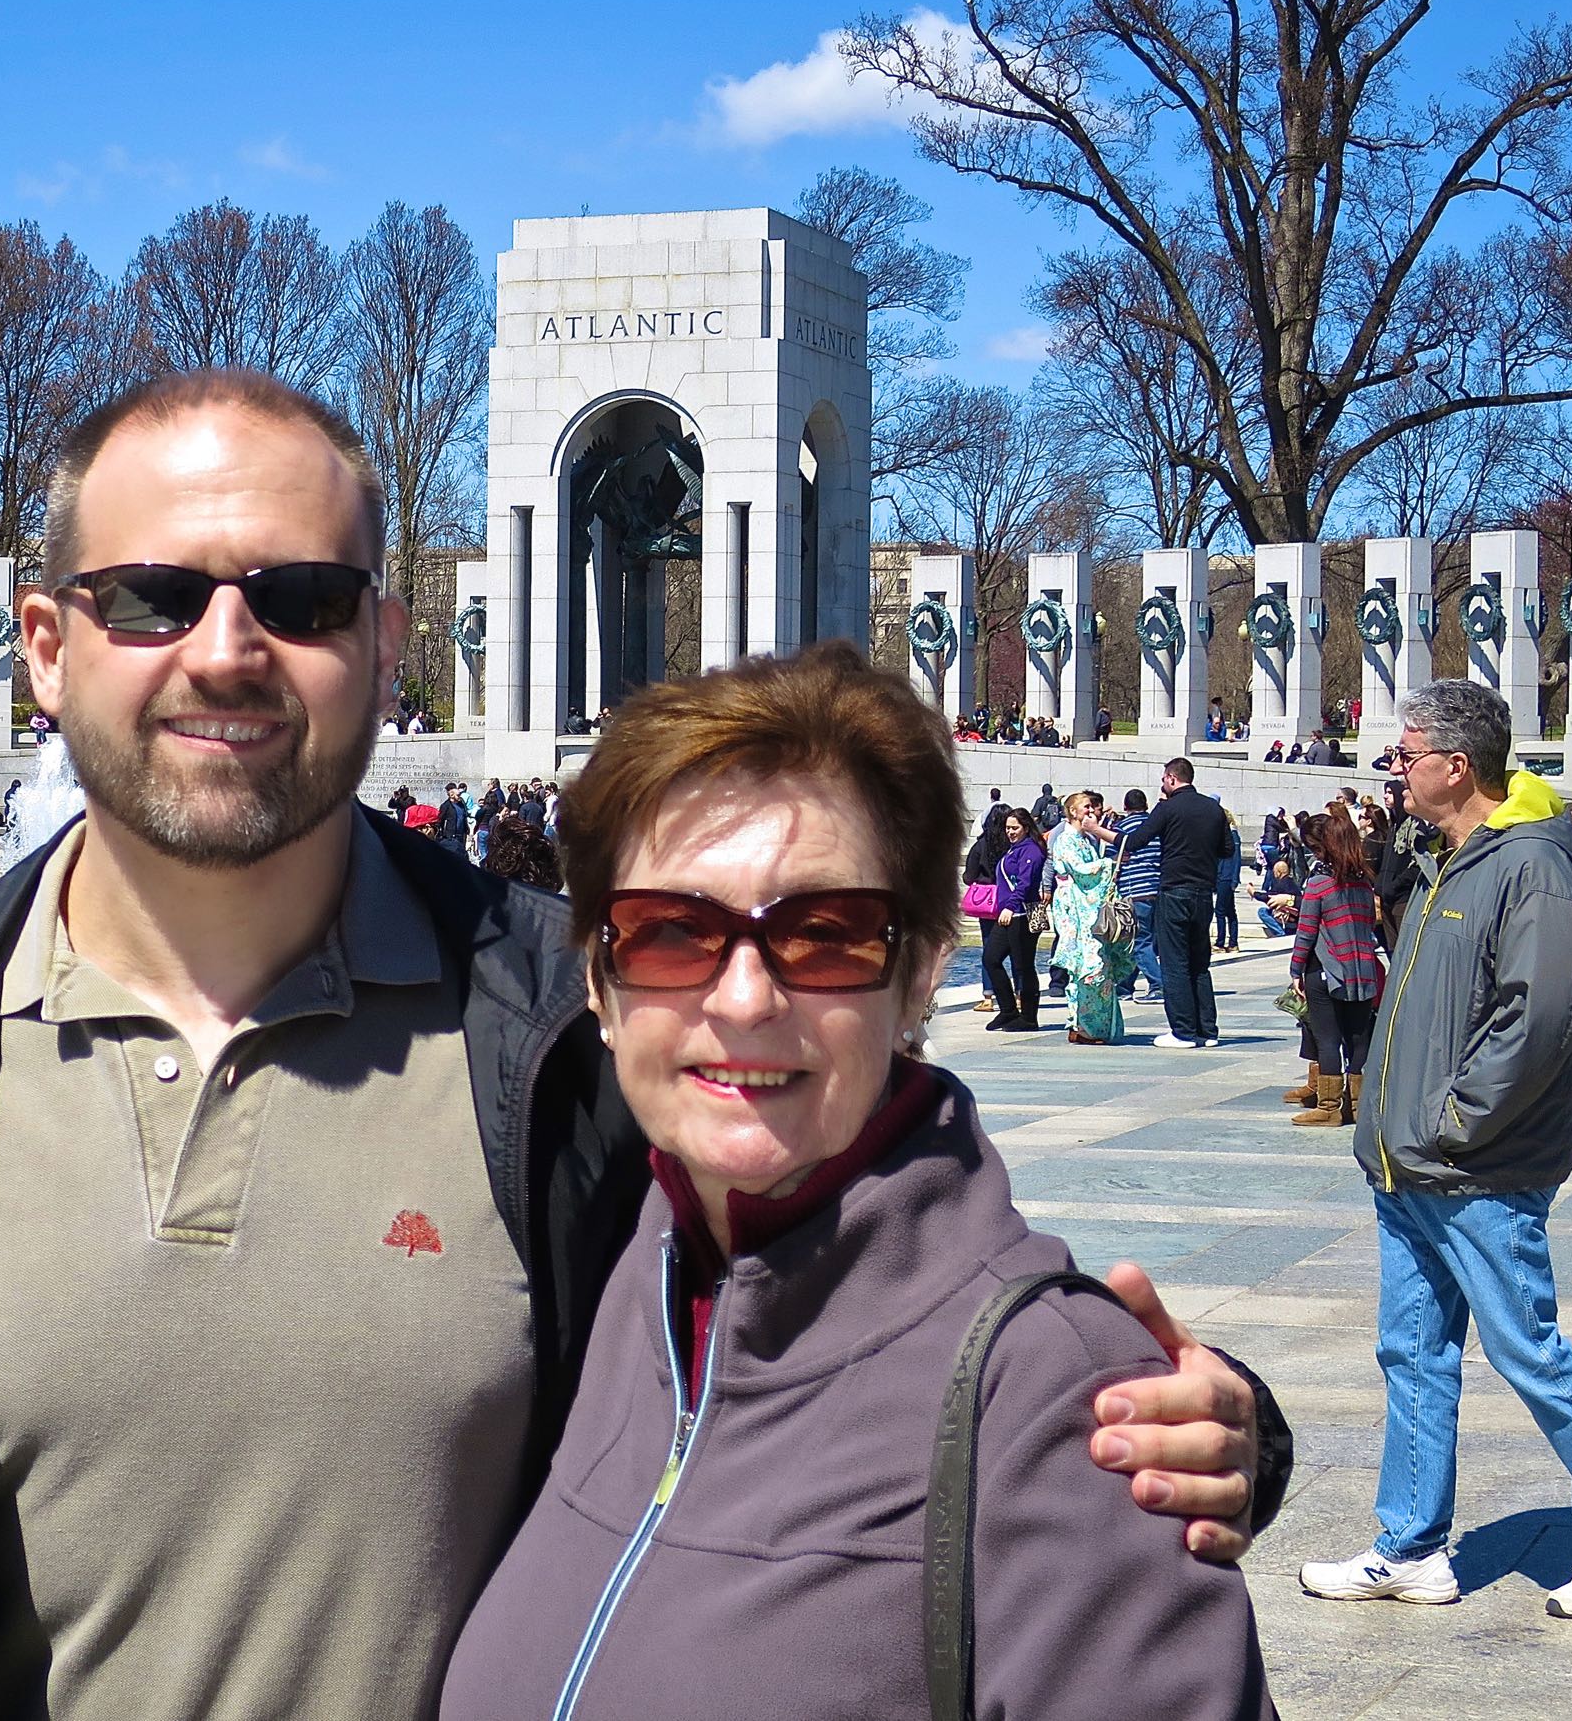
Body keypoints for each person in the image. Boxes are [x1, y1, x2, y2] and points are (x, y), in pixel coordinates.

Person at [0, 368, 1282, 1719]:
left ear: (386, 641)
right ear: (47, 649)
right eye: (152, 596)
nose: (227, 648)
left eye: (300, 595)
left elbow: (844, 1276)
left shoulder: (569, 1034)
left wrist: (1172, 1430)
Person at [441, 646, 1275, 1720]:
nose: (743, 1000)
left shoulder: (1059, 1405)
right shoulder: (623, 1274)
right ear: (598, 981)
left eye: (824, 936)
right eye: (671, 933)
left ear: (920, 970)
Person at [1306, 680, 1572, 1619]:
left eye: (1406, 755)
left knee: (1526, 1351)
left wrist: (1457, 1121)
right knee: (1413, 1354)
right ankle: (1412, 1544)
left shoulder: (1529, 864)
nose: (1395, 770)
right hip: (1409, 1165)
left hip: (1477, 1168)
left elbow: (1536, 1017)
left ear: (1456, 765)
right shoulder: (1444, 858)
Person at [1285, 813, 1384, 1130]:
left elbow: (1306, 932)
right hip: (1363, 969)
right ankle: (1356, 1105)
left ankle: (1328, 1107)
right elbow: (1369, 924)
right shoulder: (1363, 883)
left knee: (1327, 1039)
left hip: (1326, 970)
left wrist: (1296, 970)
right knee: (1358, 1037)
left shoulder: (1319, 884)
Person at [1137, 758, 1229, 1049]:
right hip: (1203, 893)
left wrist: (1096, 830)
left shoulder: (1168, 808)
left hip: (1175, 890)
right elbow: (1227, 849)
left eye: (1163, 779)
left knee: (1174, 962)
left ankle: (1183, 1031)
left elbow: (1136, 840)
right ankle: (1207, 1031)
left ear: (1171, 778)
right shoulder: (1213, 808)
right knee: (1199, 963)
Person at [1050, 792, 1134, 1045]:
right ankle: (1084, 1025)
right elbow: (1081, 871)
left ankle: (1085, 1025)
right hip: (1076, 909)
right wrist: (1108, 864)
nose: (1090, 811)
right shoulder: (1066, 839)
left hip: (1086, 906)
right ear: (1073, 811)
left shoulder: (1085, 839)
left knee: (1094, 964)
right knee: (1087, 964)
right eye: (1085, 807)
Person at [965, 805, 1043, 1031]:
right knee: (991, 958)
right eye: (1008, 828)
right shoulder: (1013, 849)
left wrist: (1010, 906)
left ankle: (1028, 1018)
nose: (1010, 832)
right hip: (1008, 914)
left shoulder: (1031, 851)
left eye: (1014, 828)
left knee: (1023, 966)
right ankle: (1008, 1010)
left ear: (1026, 828)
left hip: (1023, 913)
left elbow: (1025, 883)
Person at [1111, 788, 1163, 1005]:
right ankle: (1124, 986)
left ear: (1125, 807)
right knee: (1143, 939)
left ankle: (1158, 985)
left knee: (1138, 941)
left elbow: (1112, 859)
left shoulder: (1121, 828)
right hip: (1157, 888)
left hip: (1134, 891)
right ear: (1146, 805)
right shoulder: (1156, 827)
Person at [1214, 806, 1243, 953]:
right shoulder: (1226, 836)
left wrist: (1234, 879)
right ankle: (1233, 943)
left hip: (1226, 877)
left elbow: (1236, 860)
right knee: (1230, 911)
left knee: (1220, 911)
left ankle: (1220, 942)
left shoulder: (1232, 836)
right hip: (1223, 877)